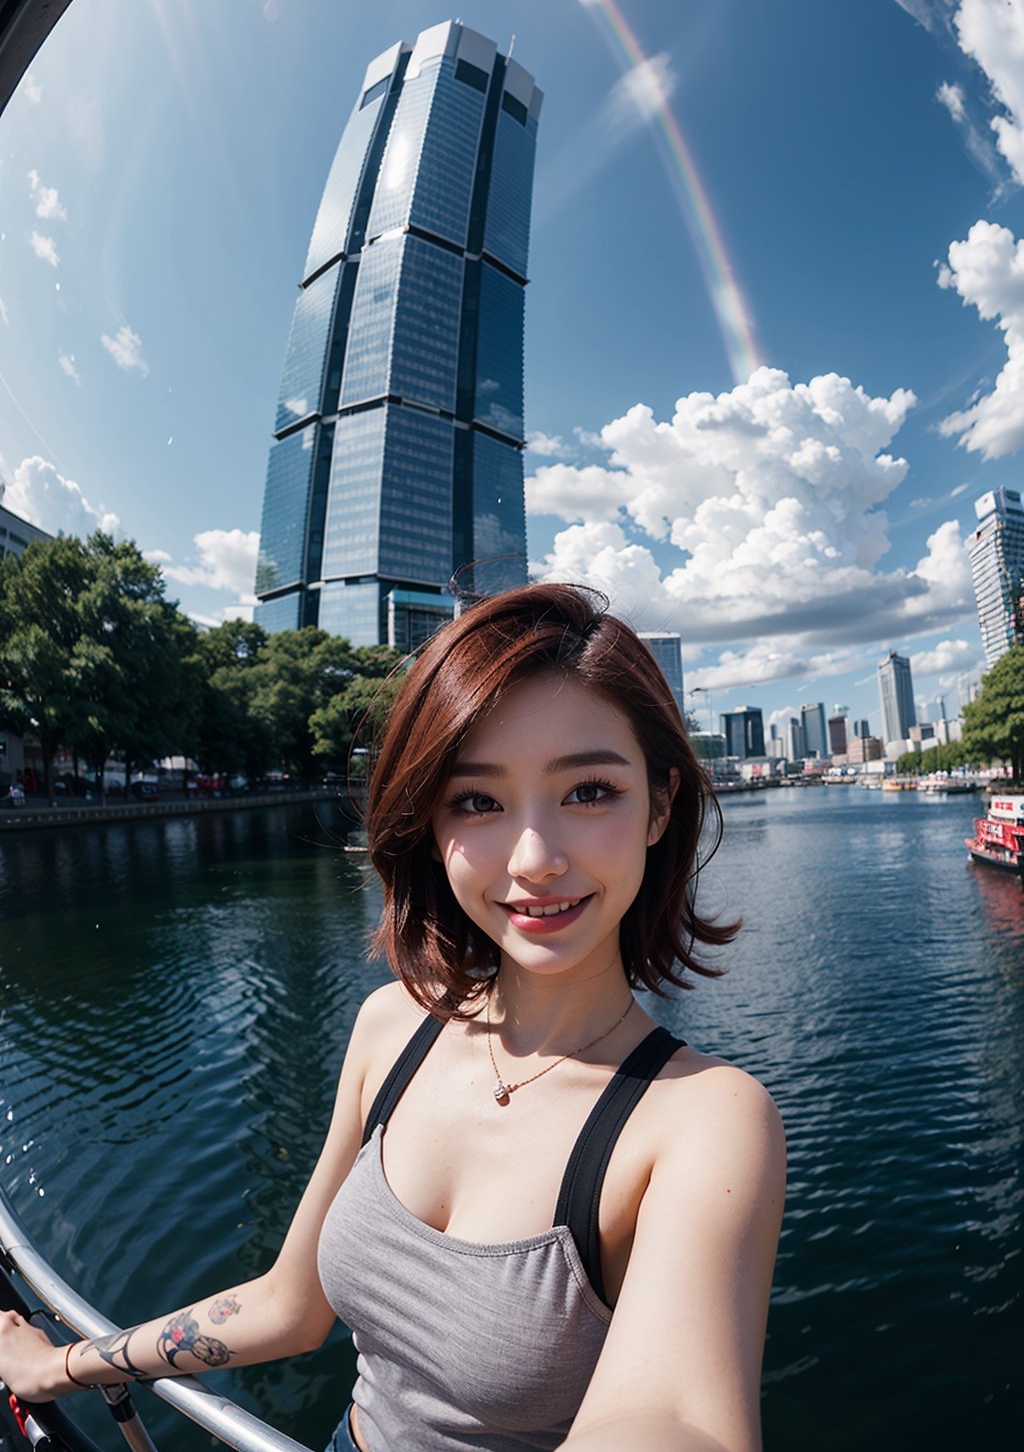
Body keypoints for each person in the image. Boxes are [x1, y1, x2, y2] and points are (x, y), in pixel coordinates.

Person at [0, 583, 785, 1452]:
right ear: (431, 824)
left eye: (590, 790)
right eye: (477, 801)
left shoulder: (705, 1122)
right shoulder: (393, 1028)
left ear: (661, 805)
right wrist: (66, 1365)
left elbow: (677, 1418)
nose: (535, 860)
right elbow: (290, 1306)